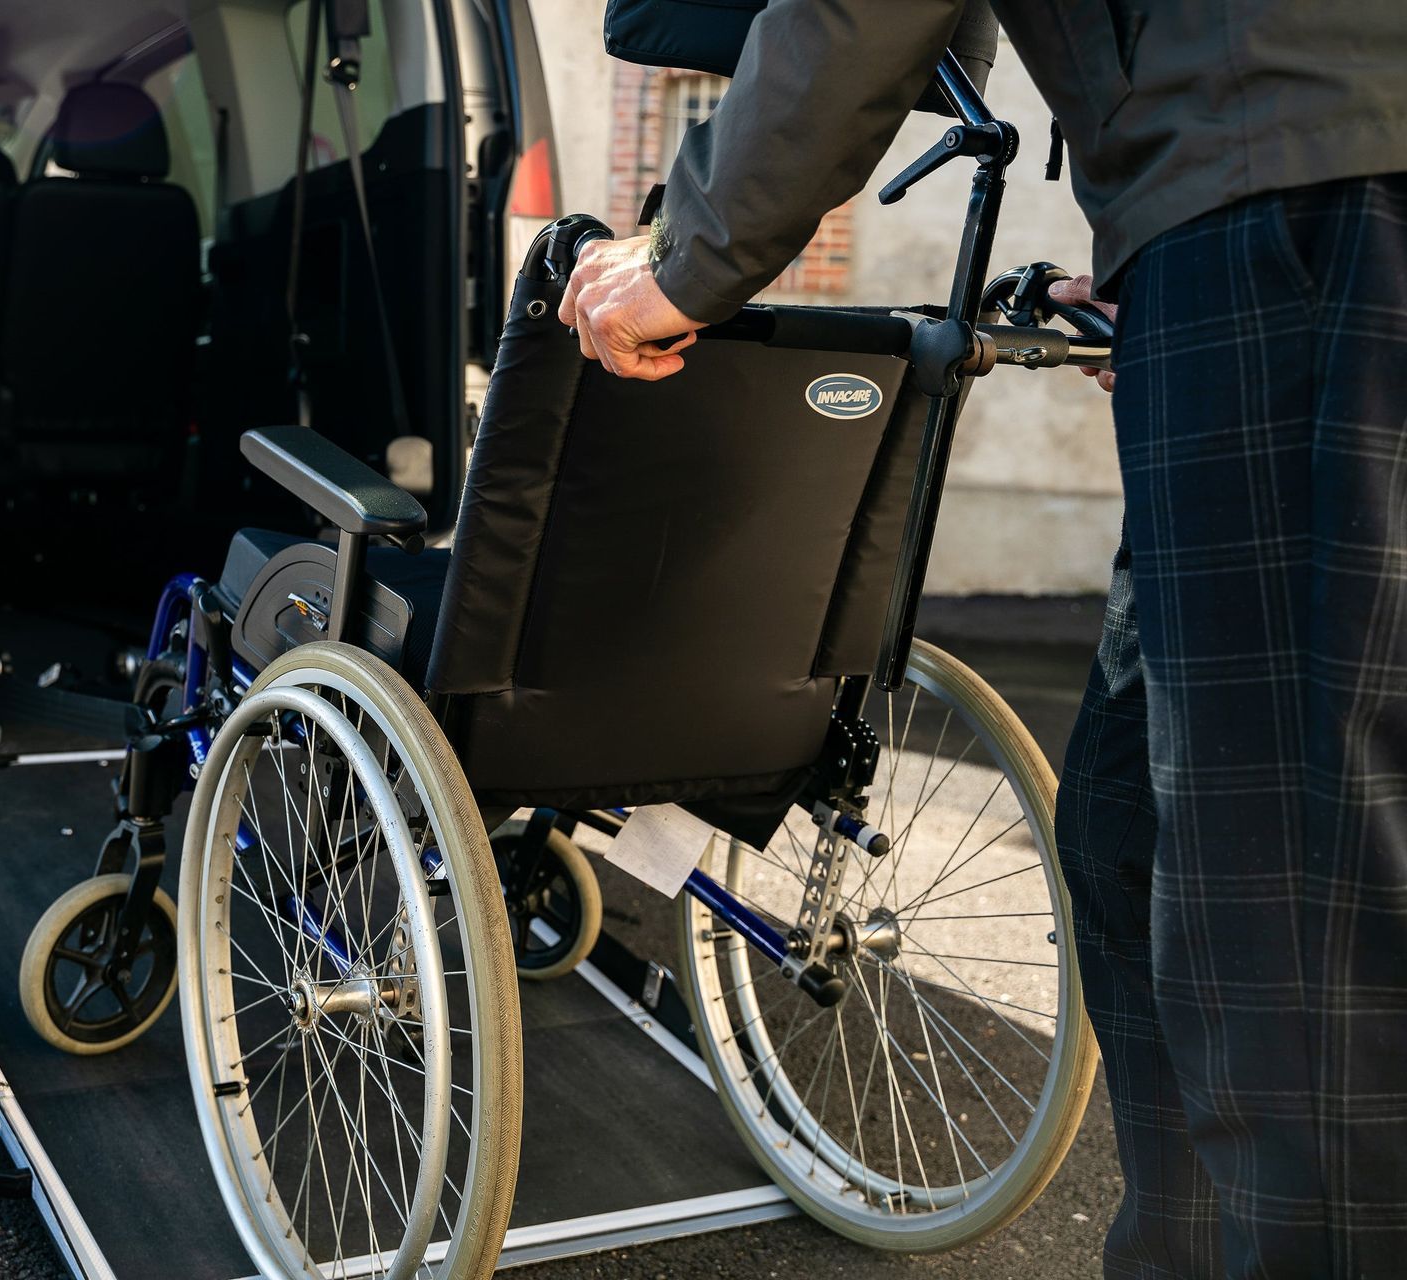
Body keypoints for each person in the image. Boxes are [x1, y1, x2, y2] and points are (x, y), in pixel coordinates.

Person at [561, 3, 1407, 1277]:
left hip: (1310, 204)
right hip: (1261, 213)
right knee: (1133, 835)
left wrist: (685, 258)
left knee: (1292, 929)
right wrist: (1160, 261)